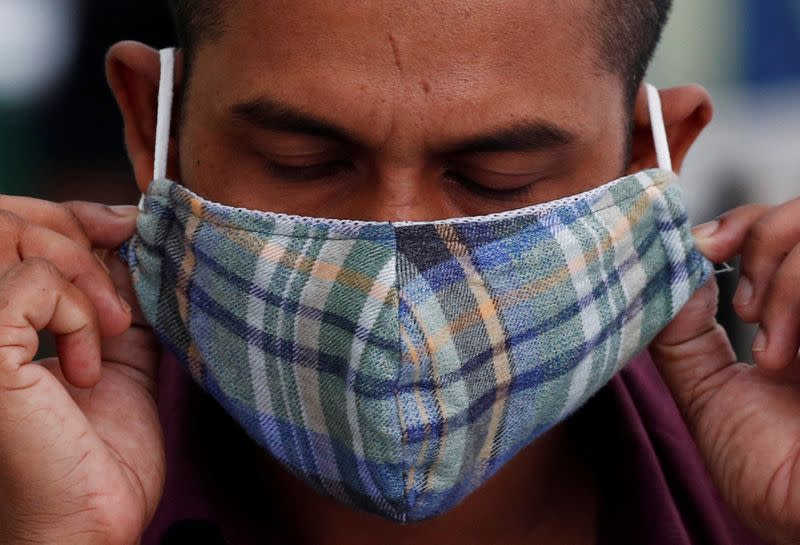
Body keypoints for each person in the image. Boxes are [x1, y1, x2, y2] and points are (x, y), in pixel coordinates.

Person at [0, 1, 799, 544]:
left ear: (652, 158)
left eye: (497, 176)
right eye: (303, 162)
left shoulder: (753, 499)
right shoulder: (32, 473)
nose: (396, 256)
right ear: (154, 126)